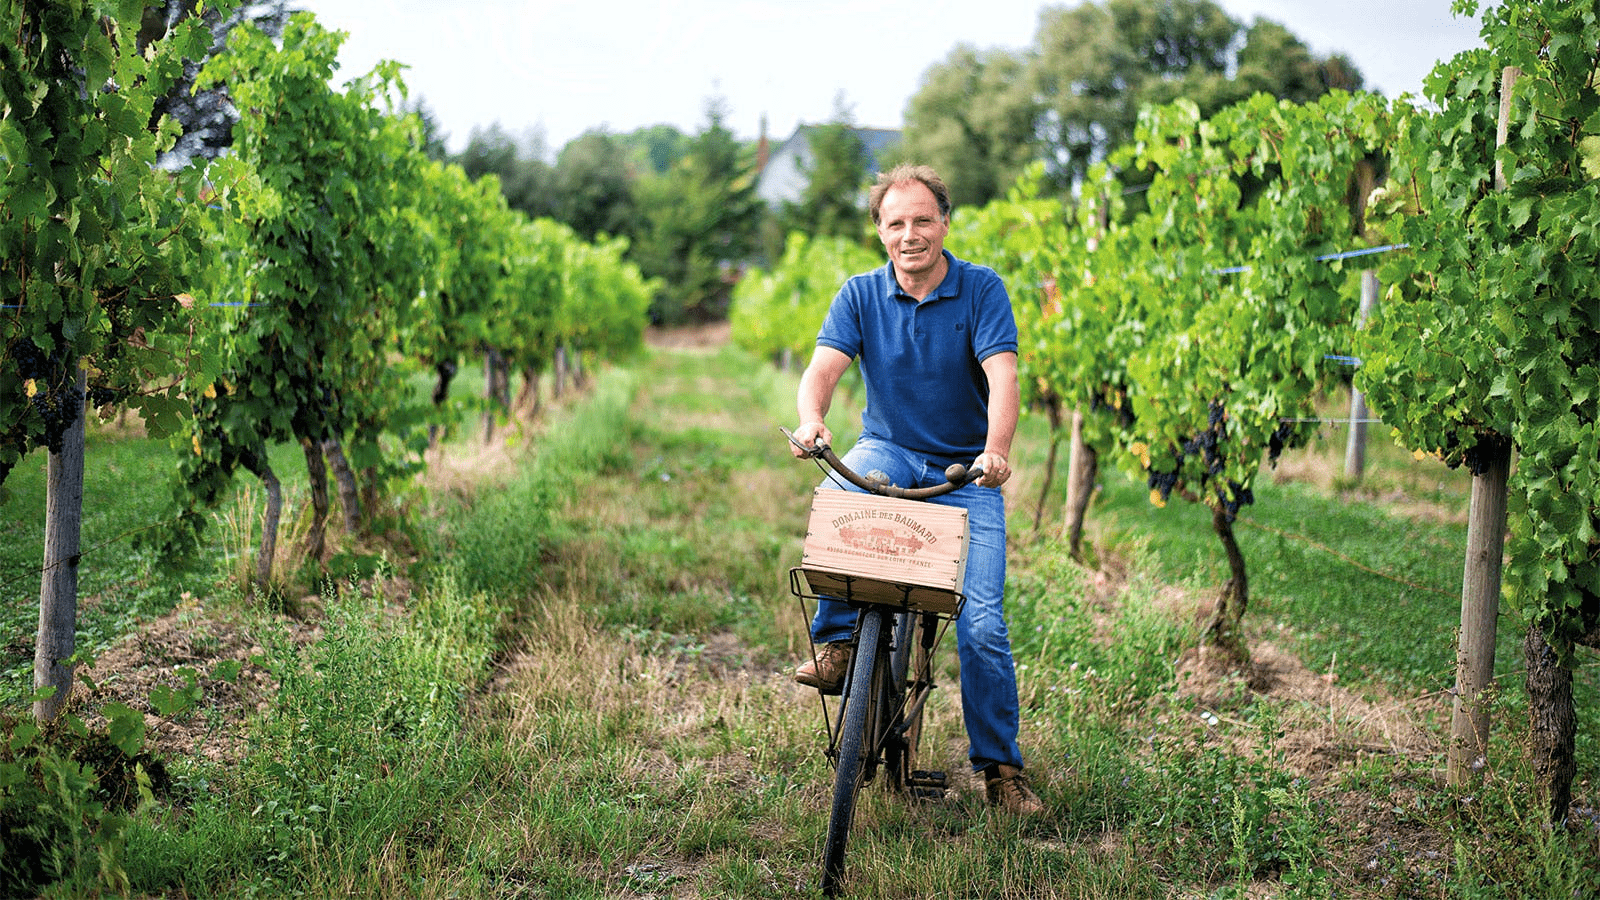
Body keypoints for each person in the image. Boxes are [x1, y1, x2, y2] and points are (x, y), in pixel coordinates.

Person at [789, 163, 1042, 816]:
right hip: (890, 450)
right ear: (880, 231)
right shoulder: (859, 294)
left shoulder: (981, 289)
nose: (911, 234)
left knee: (981, 624)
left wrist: (997, 450)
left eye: (923, 220)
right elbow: (823, 369)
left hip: (965, 470)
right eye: (896, 222)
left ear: (945, 223)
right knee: (845, 495)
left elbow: (1004, 375)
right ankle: (839, 642)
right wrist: (812, 420)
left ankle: (1001, 770)